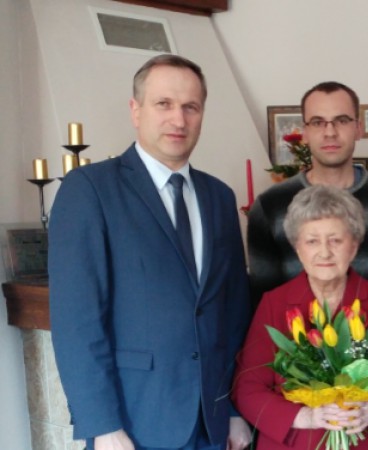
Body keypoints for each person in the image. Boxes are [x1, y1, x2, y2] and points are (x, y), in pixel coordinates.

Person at [49, 54, 252, 450]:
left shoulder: (219, 197)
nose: (179, 119)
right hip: (133, 425)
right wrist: (101, 425)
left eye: (191, 107)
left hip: (212, 425)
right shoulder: (90, 190)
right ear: (136, 110)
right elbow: (77, 321)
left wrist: (232, 408)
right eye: (164, 104)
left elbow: (233, 313)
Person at [233, 185, 368, 449]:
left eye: (336, 240)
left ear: (354, 246)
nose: (324, 252)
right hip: (297, 441)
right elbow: (247, 388)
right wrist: (305, 417)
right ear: (297, 248)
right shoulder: (274, 304)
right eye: (312, 241)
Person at [246, 81, 368, 307]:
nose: (330, 132)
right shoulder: (270, 206)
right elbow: (262, 301)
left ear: (358, 128)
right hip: (294, 331)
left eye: (342, 120)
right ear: (305, 132)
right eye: (318, 122)